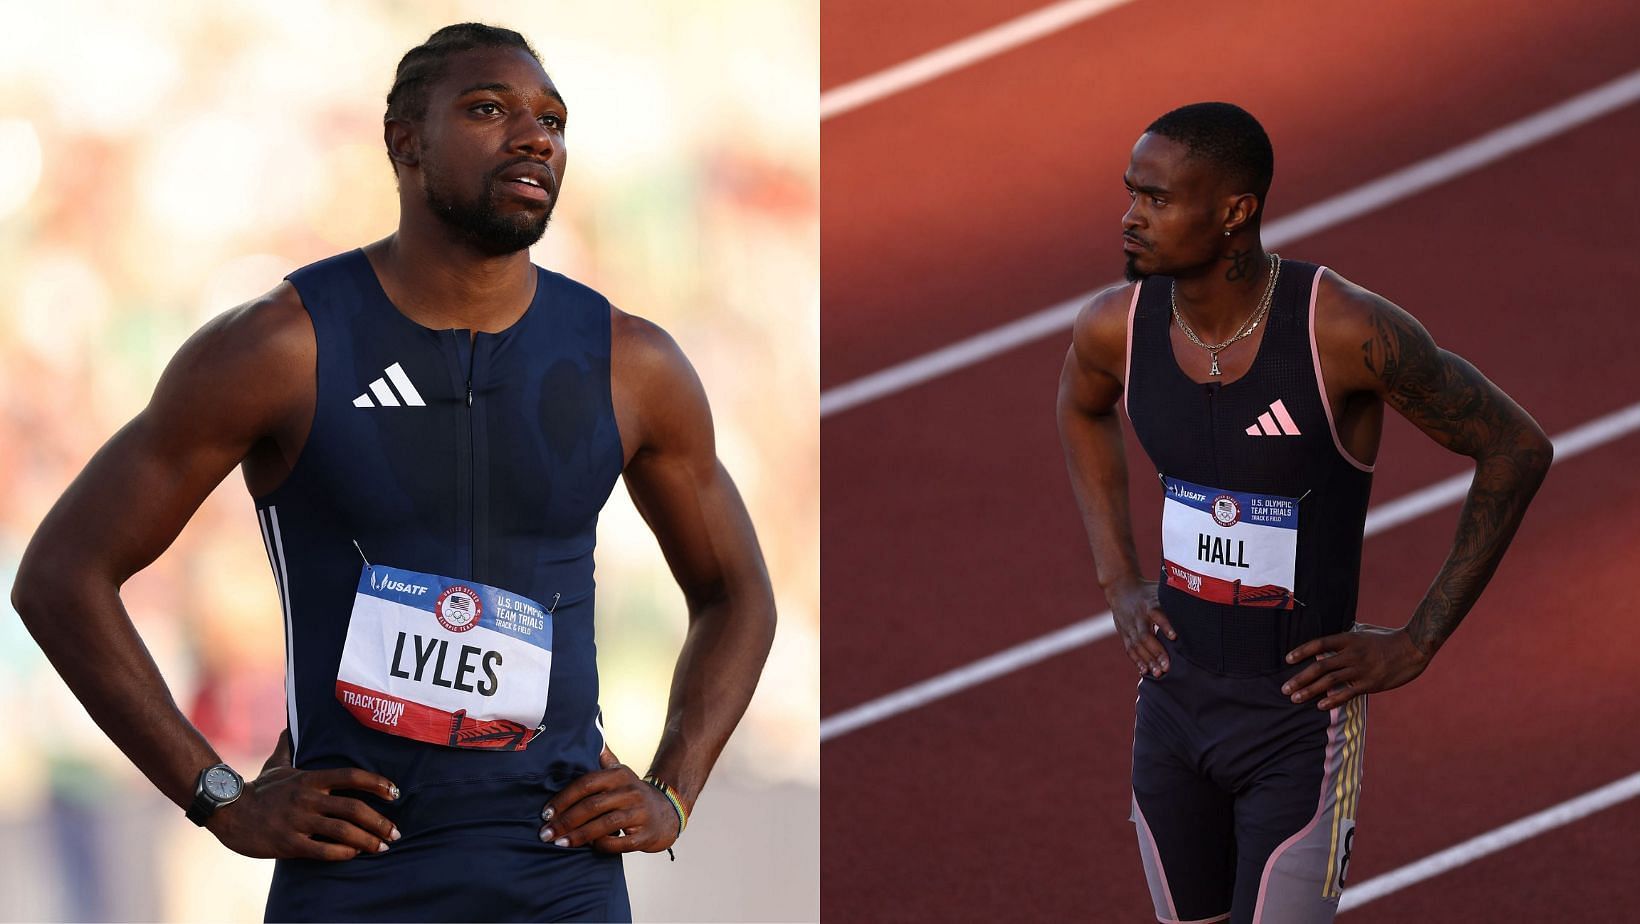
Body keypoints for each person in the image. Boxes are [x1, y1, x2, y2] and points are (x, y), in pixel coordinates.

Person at [10, 23, 776, 923]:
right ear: (404, 141)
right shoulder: (281, 346)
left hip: (559, 879)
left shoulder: (630, 363)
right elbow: (61, 576)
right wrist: (216, 793)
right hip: (356, 878)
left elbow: (736, 592)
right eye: (489, 110)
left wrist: (672, 789)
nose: (535, 136)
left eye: (554, 120)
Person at [1056, 102, 1552, 923]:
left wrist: (1420, 639)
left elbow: (1515, 448)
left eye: (1156, 198)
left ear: (1234, 213)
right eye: (1130, 193)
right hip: (1172, 711)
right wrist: (1118, 578)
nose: (1130, 218)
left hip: (1298, 728)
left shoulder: (1342, 332)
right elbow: (1080, 407)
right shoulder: (1119, 328)